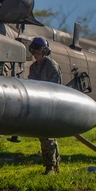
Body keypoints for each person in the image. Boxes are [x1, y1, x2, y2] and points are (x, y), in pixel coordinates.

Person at [27, 36, 62, 174]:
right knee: (46, 136)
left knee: (47, 135)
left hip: (51, 104)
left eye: (38, 52)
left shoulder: (51, 65)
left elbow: (55, 87)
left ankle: (50, 166)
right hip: (40, 104)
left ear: (44, 51)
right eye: (34, 52)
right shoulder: (33, 67)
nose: (35, 55)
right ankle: (55, 165)